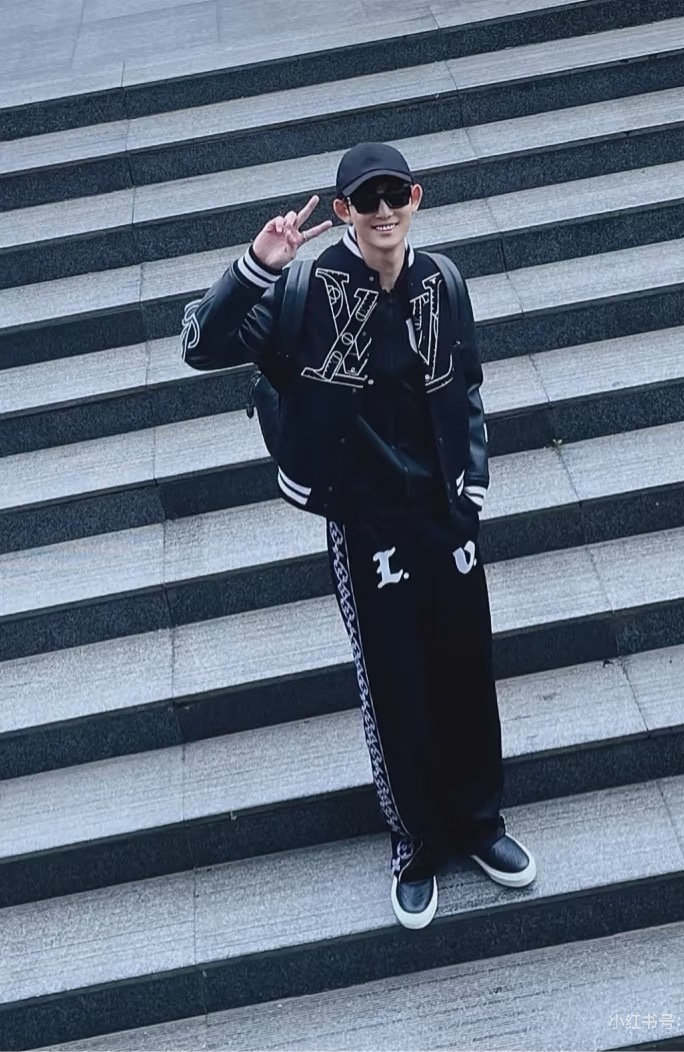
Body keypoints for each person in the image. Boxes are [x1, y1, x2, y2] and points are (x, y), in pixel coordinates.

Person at [181, 142, 537, 930]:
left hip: (444, 512)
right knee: (395, 686)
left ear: (416, 198)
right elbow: (200, 344)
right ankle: (417, 844)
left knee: (467, 674)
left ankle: (482, 825)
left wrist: (474, 483)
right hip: (366, 518)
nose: (382, 211)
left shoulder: (442, 279)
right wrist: (258, 266)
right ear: (343, 210)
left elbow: (466, 385)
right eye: (365, 199)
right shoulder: (306, 290)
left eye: (394, 195)